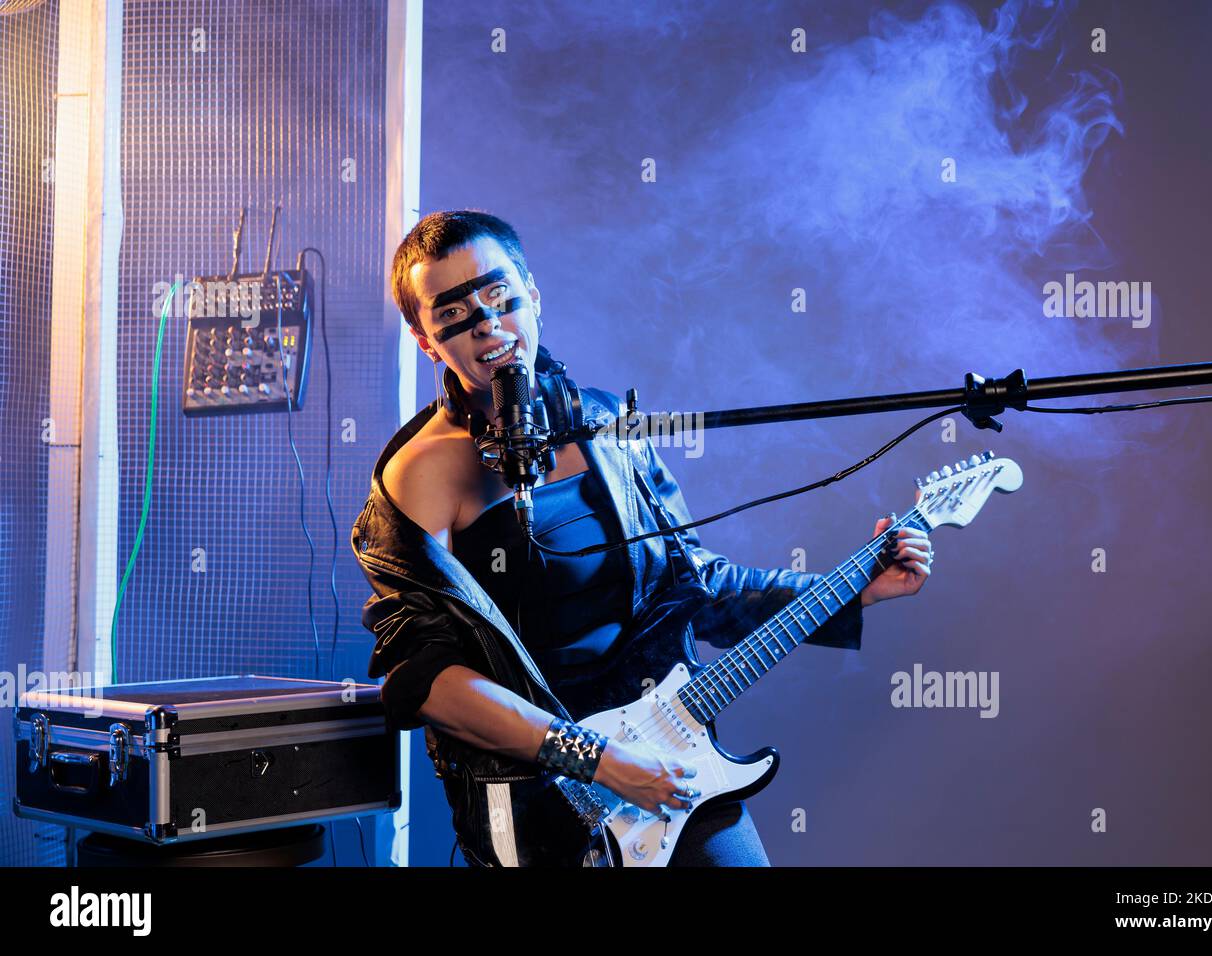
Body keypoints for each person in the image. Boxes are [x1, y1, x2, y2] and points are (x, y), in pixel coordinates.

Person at [352, 209, 934, 866]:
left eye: (498, 295)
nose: (486, 323)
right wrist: (596, 761)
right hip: (541, 800)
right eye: (454, 313)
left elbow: (696, 588)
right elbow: (424, 679)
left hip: (670, 763)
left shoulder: (606, 426)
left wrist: (854, 590)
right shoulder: (421, 473)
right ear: (426, 340)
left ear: (533, 296)